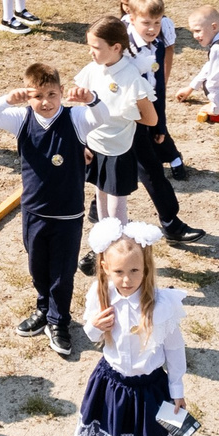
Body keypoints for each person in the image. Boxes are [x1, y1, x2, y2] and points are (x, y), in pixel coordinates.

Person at [72, 219, 188, 436]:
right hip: (110, 383)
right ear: (105, 267)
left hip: (149, 390)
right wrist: (94, 326)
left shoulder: (161, 304)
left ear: (146, 267)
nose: (126, 279)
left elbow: (174, 348)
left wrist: (177, 386)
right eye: (119, 271)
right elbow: (90, 333)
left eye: (135, 271)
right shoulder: (99, 293)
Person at [0, 64, 96, 362]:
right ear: (28, 96)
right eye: (38, 95)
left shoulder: (75, 118)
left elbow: (105, 115)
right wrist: (8, 99)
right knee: (37, 265)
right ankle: (44, 309)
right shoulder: (22, 118)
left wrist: (91, 99)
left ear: (62, 93)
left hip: (67, 214)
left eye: (52, 94)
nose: (45, 102)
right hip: (33, 211)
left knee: (62, 273)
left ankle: (59, 321)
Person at [64, 19, 147, 267]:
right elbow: (82, 104)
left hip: (118, 151)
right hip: (95, 146)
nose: (91, 52)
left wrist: (125, 112)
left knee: (116, 207)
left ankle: (121, 253)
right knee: (99, 198)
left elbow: (150, 118)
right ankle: (103, 247)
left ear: (116, 47)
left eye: (96, 47)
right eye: (89, 46)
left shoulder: (130, 76)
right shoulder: (94, 68)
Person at [123, 0, 203, 241]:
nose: (152, 29)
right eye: (146, 23)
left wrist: (160, 126)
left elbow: (157, 87)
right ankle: (171, 223)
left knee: (125, 170)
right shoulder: (123, 50)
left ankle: (97, 208)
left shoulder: (156, 45)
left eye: (157, 23)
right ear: (132, 18)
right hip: (126, 121)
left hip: (146, 118)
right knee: (151, 171)